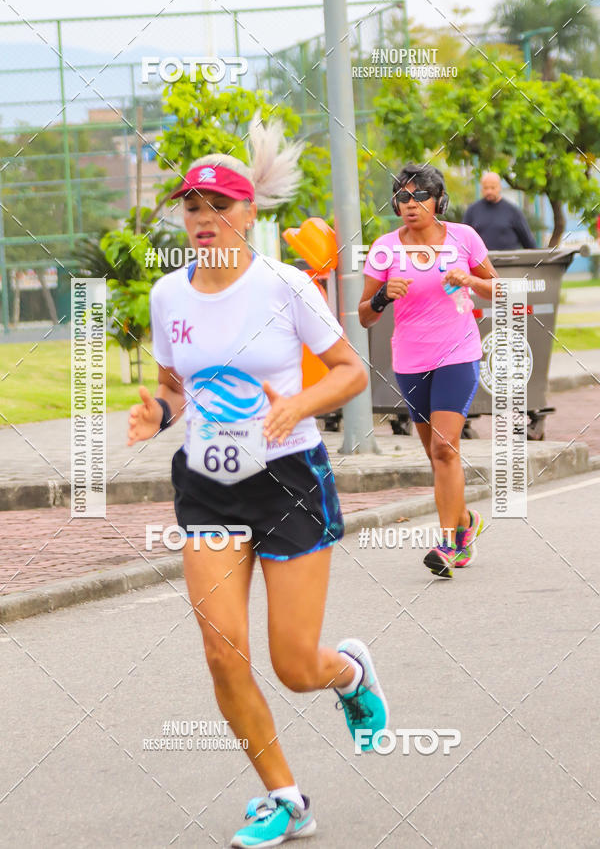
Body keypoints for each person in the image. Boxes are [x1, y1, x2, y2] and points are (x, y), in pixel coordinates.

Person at [127, 115, 388, 848]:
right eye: (193, 205)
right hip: (207, 486)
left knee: (295, 664)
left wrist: (298, 405)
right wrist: (160, 412)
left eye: (220, 205)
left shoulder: (286, 285)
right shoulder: (167, 295)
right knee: (220, 650)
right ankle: (285, 798)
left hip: (288, 479)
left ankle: (348, 675)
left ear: (249, 213)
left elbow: (350, 372)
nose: (204, 218)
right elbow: (177, 388)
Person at [359, 163, 499, 578]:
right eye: (402, 197)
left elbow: (502, 288)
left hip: (458, 353)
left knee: (444, 448)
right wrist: (383, 296)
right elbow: (364, 315)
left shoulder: (464, 238)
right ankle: (466, 522)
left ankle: (449, 545)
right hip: (410, 360)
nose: (410, 204)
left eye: (419, 195)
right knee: (437, 456)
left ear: (438, 200)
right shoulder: (384, 248)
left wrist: (472, 280)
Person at [463, 172, 536, 249]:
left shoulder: (513, 211)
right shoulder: (472, 211)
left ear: (500, 187)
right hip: (480, 260)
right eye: (486, 188)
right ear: (481, 188)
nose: (489, 191)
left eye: (493, 187)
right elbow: (464, 239)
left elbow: (528, 241)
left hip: (508, 259)